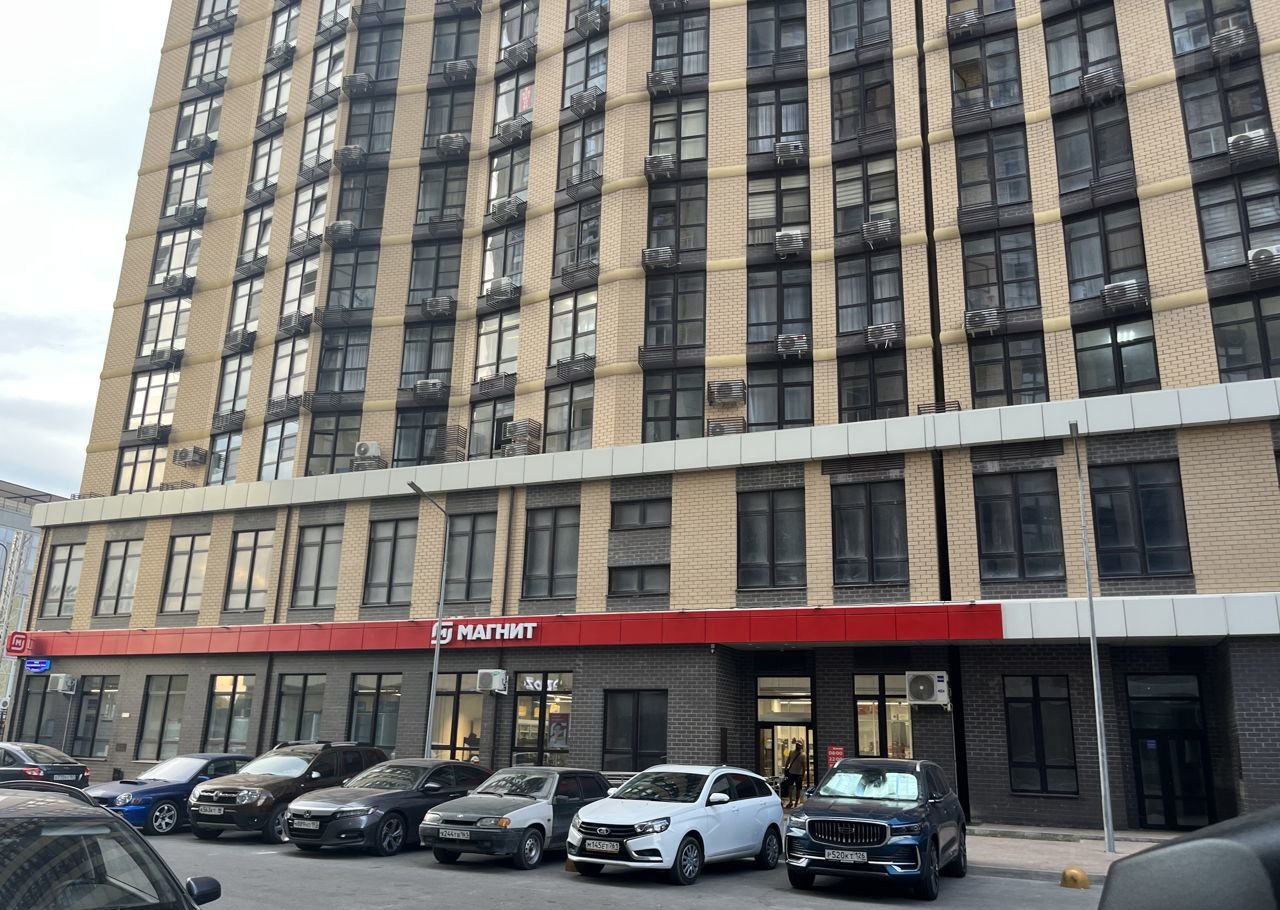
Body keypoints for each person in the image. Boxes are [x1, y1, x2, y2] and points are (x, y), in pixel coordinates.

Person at [783, 739, 806, 809]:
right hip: (791, 772)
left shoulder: (803, 754)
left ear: (801, 746)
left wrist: (803, 775)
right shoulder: (791, 752)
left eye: (799, 745)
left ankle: (796, 802)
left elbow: (804, 766)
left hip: (799, 774)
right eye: (797, 744)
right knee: (790, 787)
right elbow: (788, 760)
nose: (797, 746)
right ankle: (790, 801)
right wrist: (785, 768)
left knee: (798, 788)